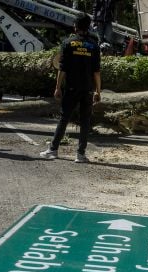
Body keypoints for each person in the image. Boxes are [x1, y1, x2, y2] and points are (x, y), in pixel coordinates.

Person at [40, 14, 101, 163]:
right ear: (88, 27)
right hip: (87, 88)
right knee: (85, 121)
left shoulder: (68, 43)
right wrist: (98, 91)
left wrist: (58, 88)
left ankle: (53, 150)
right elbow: (97, 72)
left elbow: (62, 69)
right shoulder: (94, 46)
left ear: (75, 26)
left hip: (72, 87)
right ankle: (80, 154)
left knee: (64, 118)